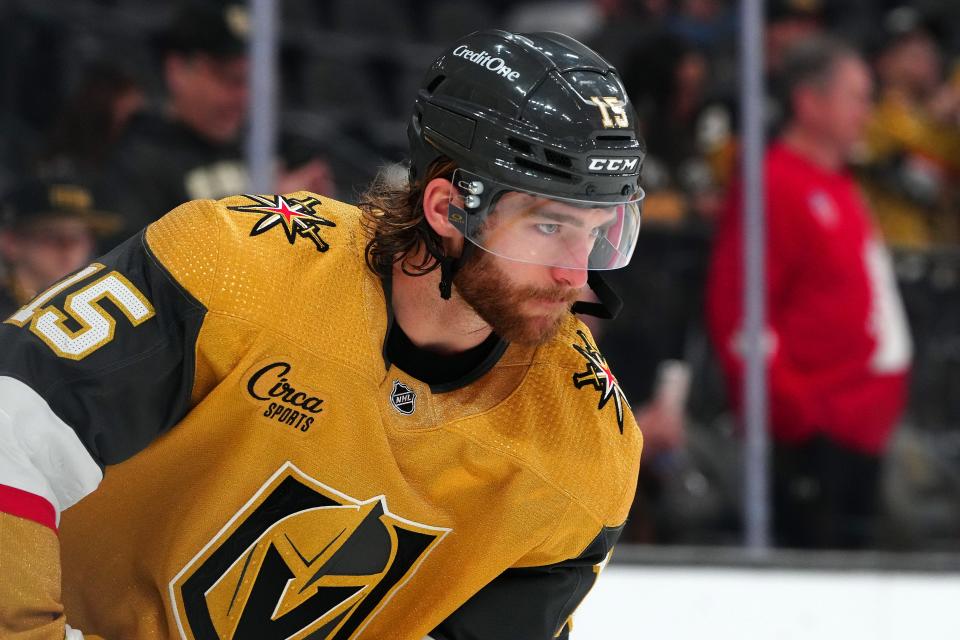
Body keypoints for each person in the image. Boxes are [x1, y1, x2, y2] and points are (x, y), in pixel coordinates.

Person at [0, 30, 645, 639]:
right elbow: (11, 420)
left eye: (598, 232)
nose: (575, 274)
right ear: (447, 208)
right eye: (550, 227)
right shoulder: (238, 262)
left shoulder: (585, 446)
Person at [706, 37, 912, 549]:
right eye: (857, 97)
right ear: (809, 102)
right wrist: (799, 414)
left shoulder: (839, 184)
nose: (869, 112)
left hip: (857, 438)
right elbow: (739, 312)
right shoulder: (775, 183)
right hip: (813, 444)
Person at [102, 2, 334, 243]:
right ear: (177, 70)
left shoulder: (269, 146)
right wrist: (271, 211)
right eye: (231, 79)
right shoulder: (138, 159)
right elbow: (143, 265)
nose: (244, 97)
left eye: (252, 82)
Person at [0, 179, 120, 317]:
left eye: (79, 235)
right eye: (51, 235)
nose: (68, 247)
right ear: (10, 242)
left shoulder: (96, 309)